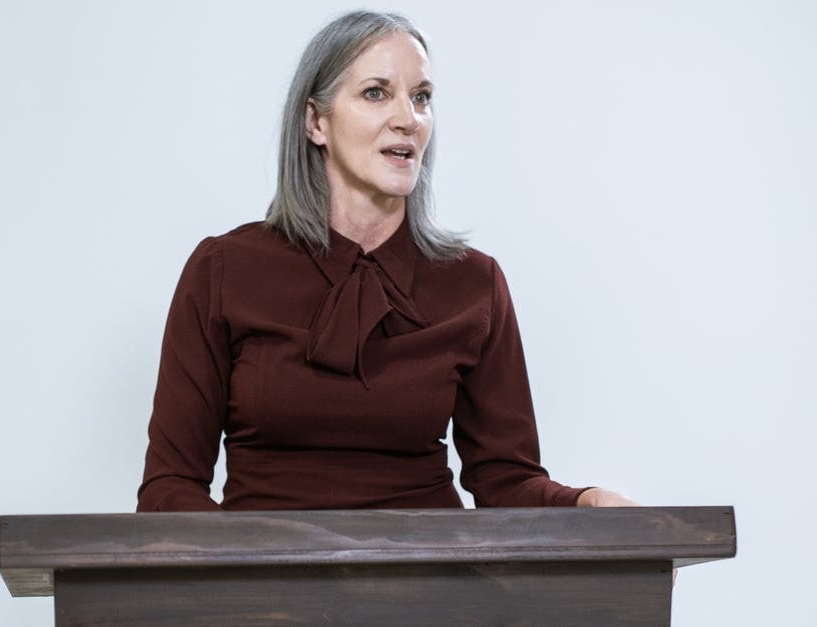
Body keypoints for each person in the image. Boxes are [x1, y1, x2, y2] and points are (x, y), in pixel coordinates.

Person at [136, 10, 636, 512]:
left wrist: (586, 503)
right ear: (316, 122)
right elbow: (170, 487)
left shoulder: (473, 282)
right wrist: (247, 574)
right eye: (376, 92)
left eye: (421, 97)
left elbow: (506, 481)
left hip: (431, 581)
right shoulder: (224, 269)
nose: (408, 118)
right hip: (265, 581)